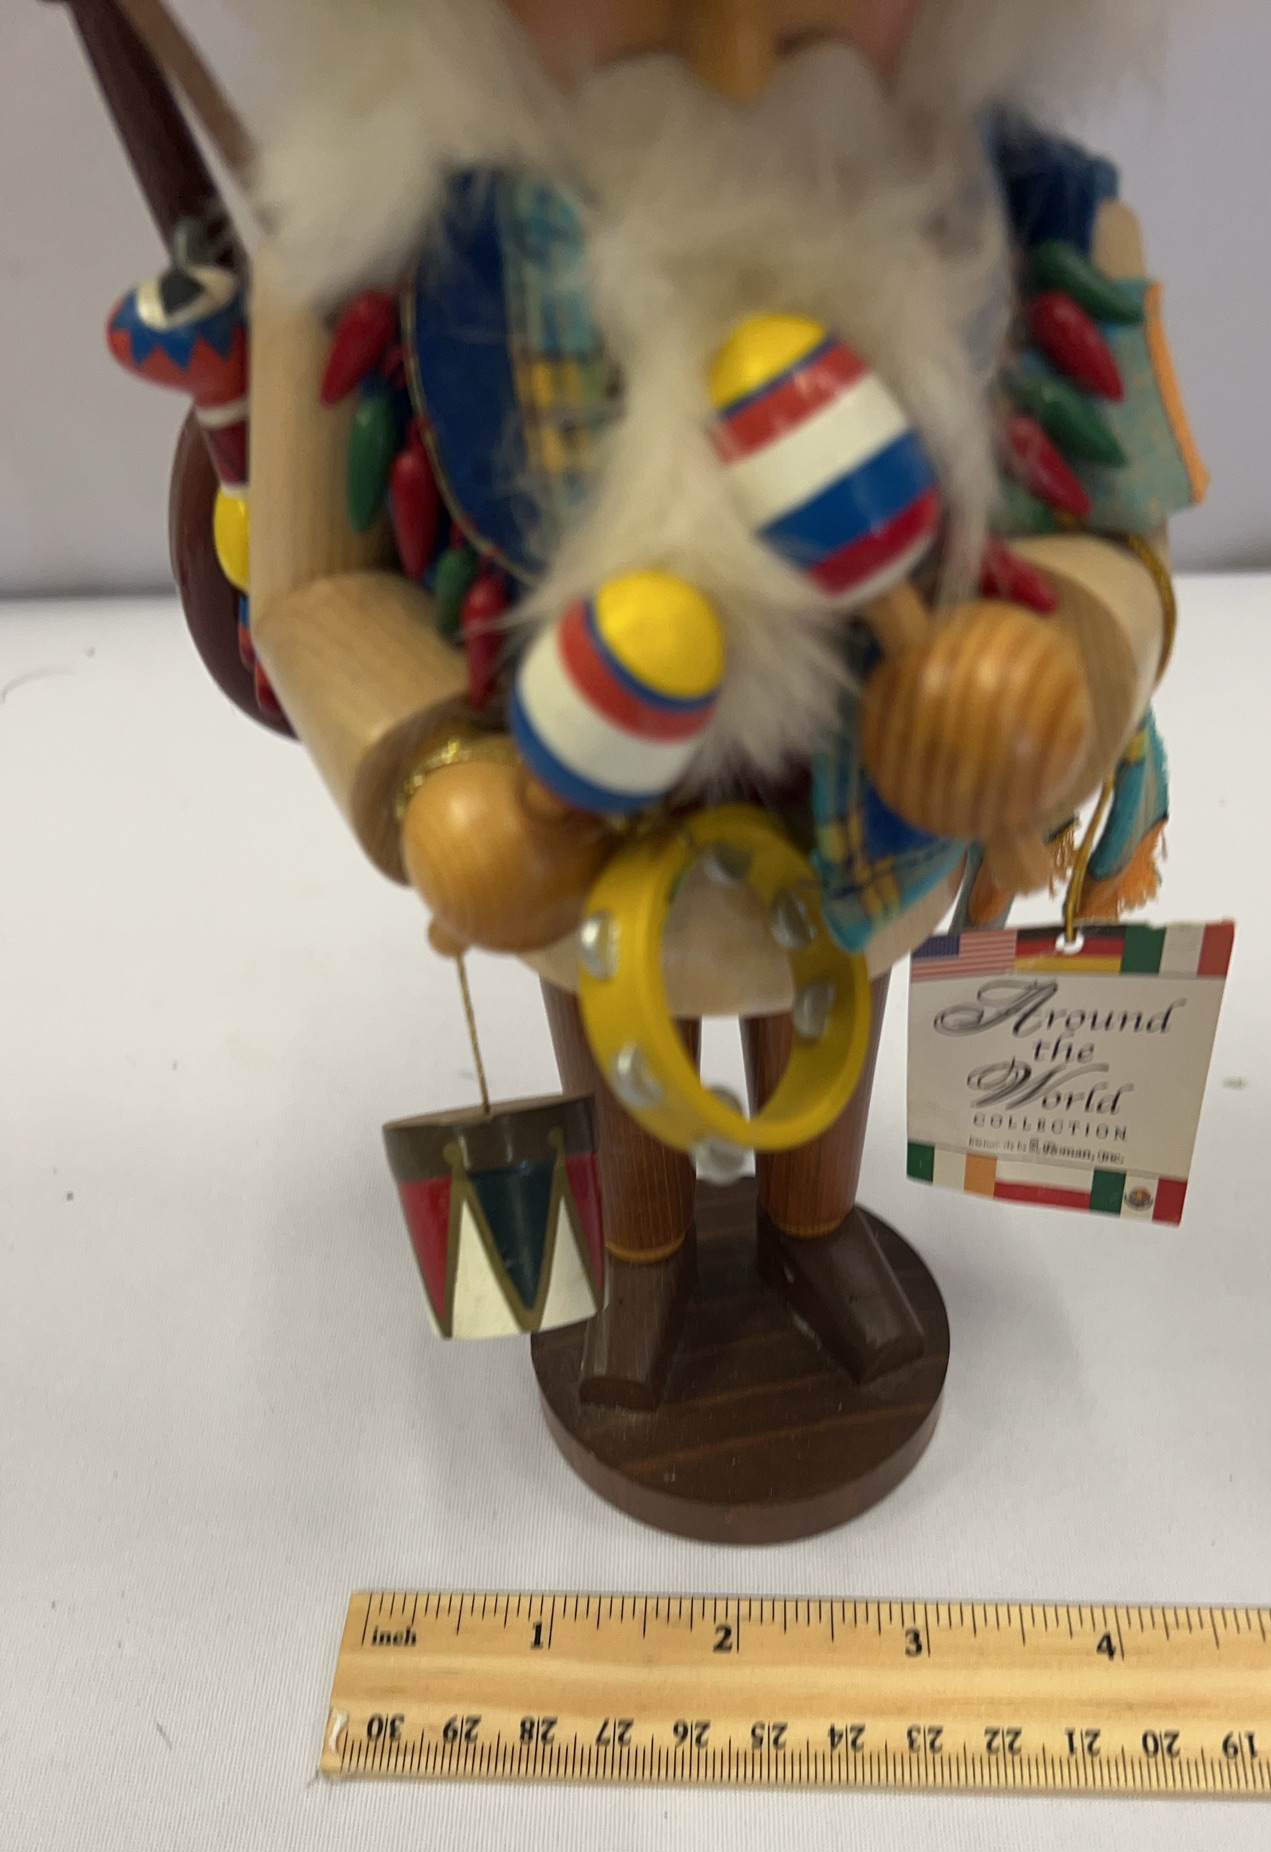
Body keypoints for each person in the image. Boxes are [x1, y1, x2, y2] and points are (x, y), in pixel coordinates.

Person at [246, 0, 1205, 1404]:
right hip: (572, 844)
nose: (739, 63)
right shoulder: (369, 251)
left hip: (879, 826)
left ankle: (816, 1228)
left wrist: (1053, 672)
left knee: (834, 1017)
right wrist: (435, 776)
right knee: (616, 1041)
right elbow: (316, 589)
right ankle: (640, 1260)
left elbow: (1116, 536)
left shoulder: (1043, 224)